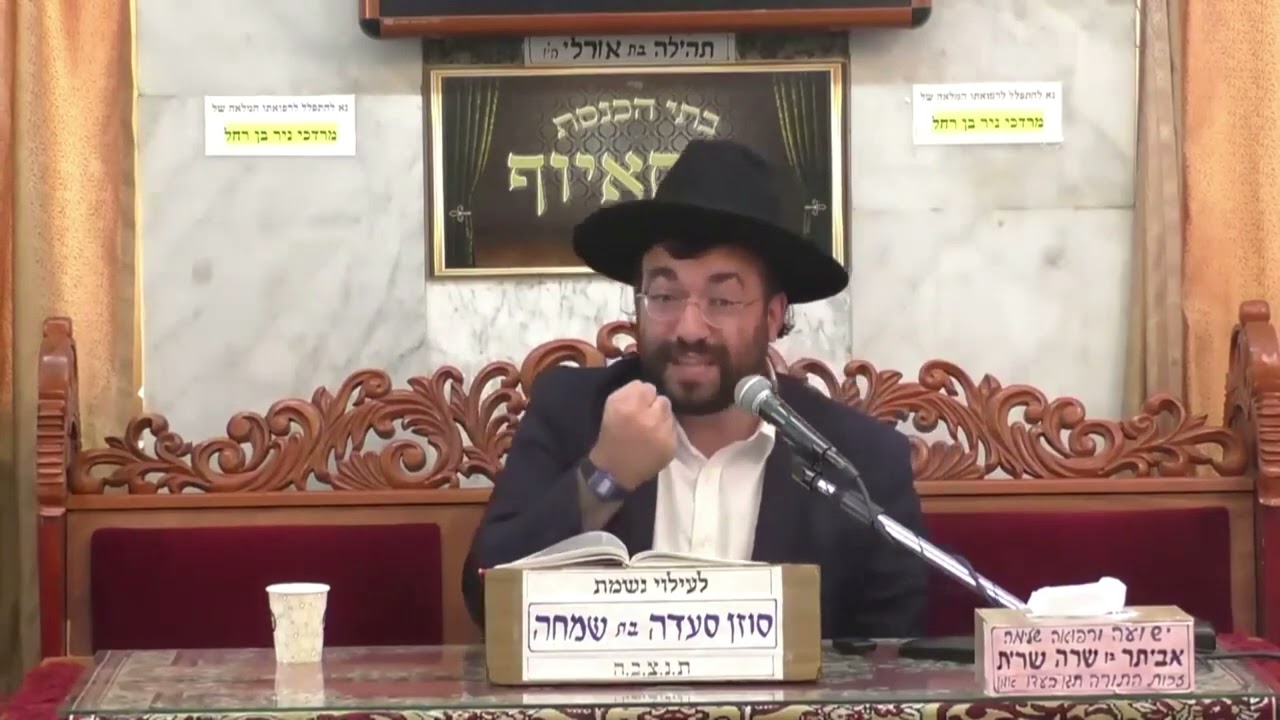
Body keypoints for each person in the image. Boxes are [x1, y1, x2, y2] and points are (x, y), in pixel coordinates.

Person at [461, 139, 928, 639]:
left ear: (773, 316)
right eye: (664, 295)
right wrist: (605, 476)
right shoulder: (573, 413)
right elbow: (487, 596)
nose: (688, 328)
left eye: (722, 300)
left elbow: (889, 650)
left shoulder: (861, 463)